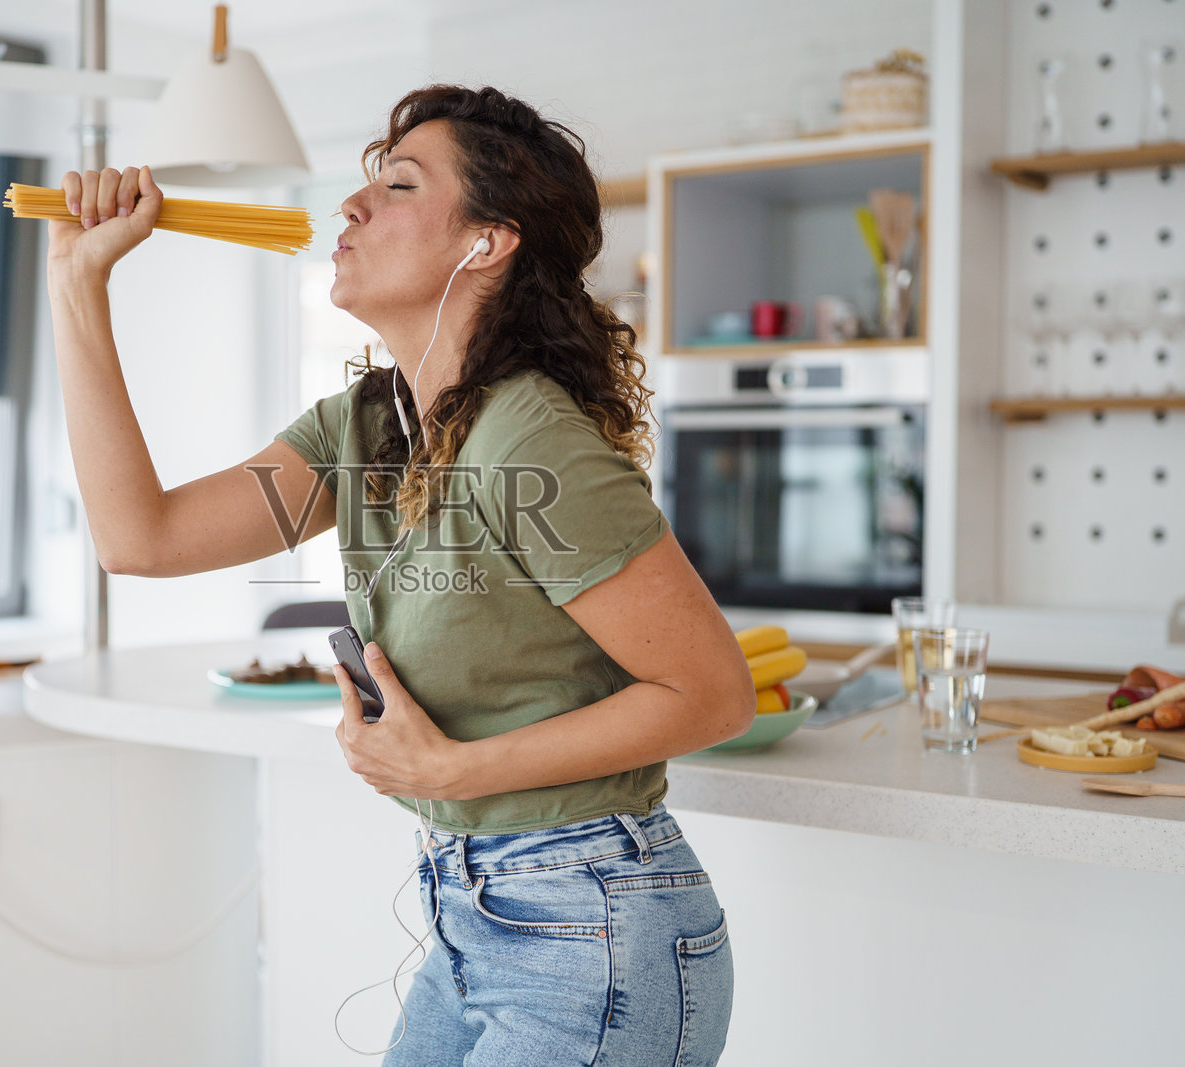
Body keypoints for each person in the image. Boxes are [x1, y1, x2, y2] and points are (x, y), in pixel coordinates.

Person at [46, 84, 755, 1067]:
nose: (351, 204)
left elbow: (713, 693)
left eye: (398, 183)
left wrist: (452, 770)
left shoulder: (530, 439)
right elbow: (141, 537)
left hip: (591, 926)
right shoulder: (365, 428)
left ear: (487, 242)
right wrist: (78, 285)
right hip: (475, 916)